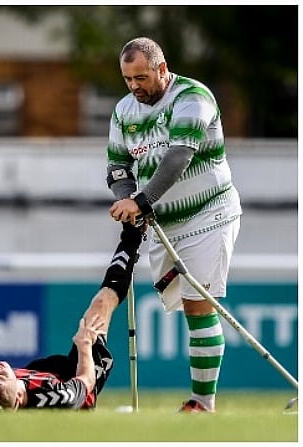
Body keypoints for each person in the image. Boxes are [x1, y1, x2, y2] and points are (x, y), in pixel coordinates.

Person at [106, 37, 241, 414]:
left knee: (198, 304)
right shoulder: (123, 111)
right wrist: (128, 197)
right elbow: (117, 167)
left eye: (141, 77)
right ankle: (201, 400)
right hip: (165, 222)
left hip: (209, 213)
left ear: (162, 69)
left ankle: (202, 403)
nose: (134, 86)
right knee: (186, 305)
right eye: (128, 79)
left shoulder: (192, 97)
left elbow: (179, 156)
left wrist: (142, 201)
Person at [0, 222, 144, 411]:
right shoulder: (61, 397)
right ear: (18, 396)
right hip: (80, 377)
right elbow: (85, 380)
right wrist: (84, 345)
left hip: (41, 372)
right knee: (101, 305)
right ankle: (132, 236)